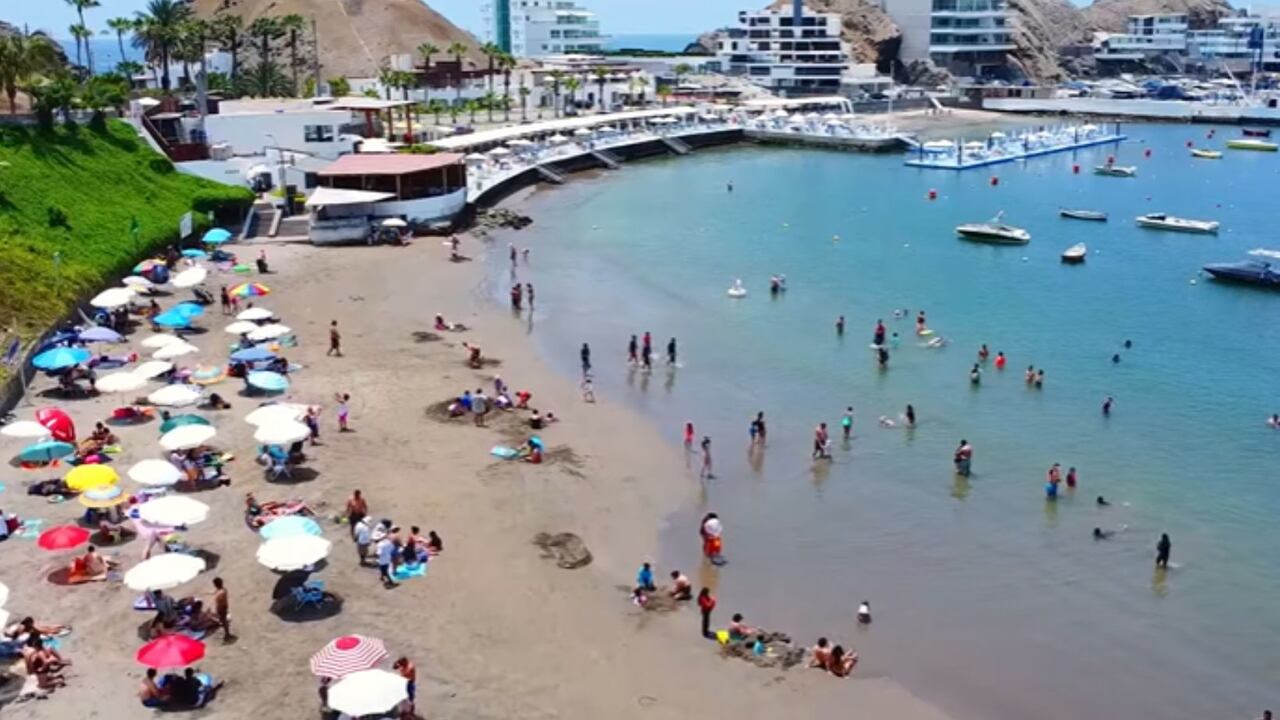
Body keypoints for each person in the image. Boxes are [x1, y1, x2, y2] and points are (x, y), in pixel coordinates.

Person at [212, 577, 233, 642]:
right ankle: (227, 633)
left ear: (216, 584)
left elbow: (220, 600)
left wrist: (219, 609)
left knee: (224, 621)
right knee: (223, 621)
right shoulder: (222, 589)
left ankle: (227, 634)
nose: (214, 585)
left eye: (214, 584)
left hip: (222, 608)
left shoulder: (221, 592)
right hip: (222, 607)